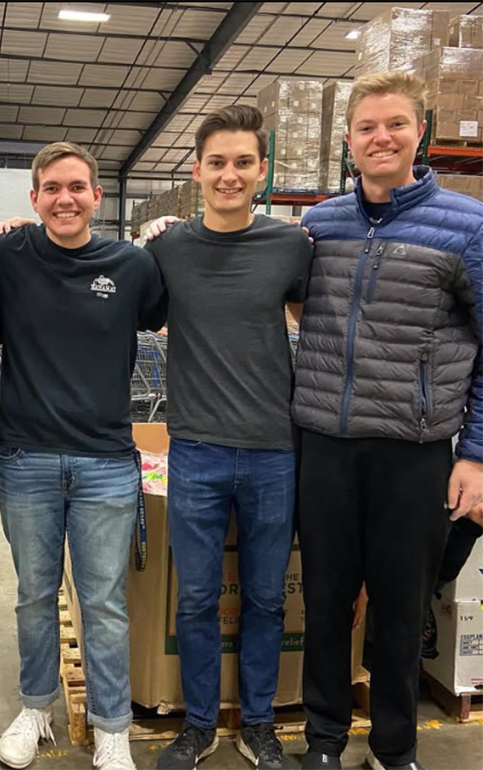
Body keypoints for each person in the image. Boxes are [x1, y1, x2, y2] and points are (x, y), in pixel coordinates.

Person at [293, 71, 483, 770]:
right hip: (325, 444)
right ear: (348, 140)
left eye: (396, 124)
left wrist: (476, 455)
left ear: (420, 133)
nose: (382, 137)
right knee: (325, 602)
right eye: (368, 126)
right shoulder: (319, 224)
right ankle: (323, 740)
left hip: (414, 450)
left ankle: (394, 747)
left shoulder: (468, 227)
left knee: (401, 609)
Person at [0, 142, 166, 770]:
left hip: (106, 463)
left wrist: (167, 235)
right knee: (35, 595)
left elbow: (169, 310)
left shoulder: (132, 265)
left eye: (77, 187)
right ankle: (36, 708)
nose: (65, 198)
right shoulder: (5, 254)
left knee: (103, 601)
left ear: (97, 196)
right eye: (52, 188)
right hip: (25, 458)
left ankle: (110, 725)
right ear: (34, 198)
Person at [138, 106, 312, 770]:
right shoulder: (171, 249)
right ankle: (201, 724)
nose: (230, 174)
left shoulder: (290, 247)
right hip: (198, 450)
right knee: (198, 598)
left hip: (273, 451)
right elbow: (142, 312)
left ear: (260, 171)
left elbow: (307, 317)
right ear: (197, 171)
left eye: (243, 162)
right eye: (218, 162)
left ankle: (259, 724)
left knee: (267, 598)